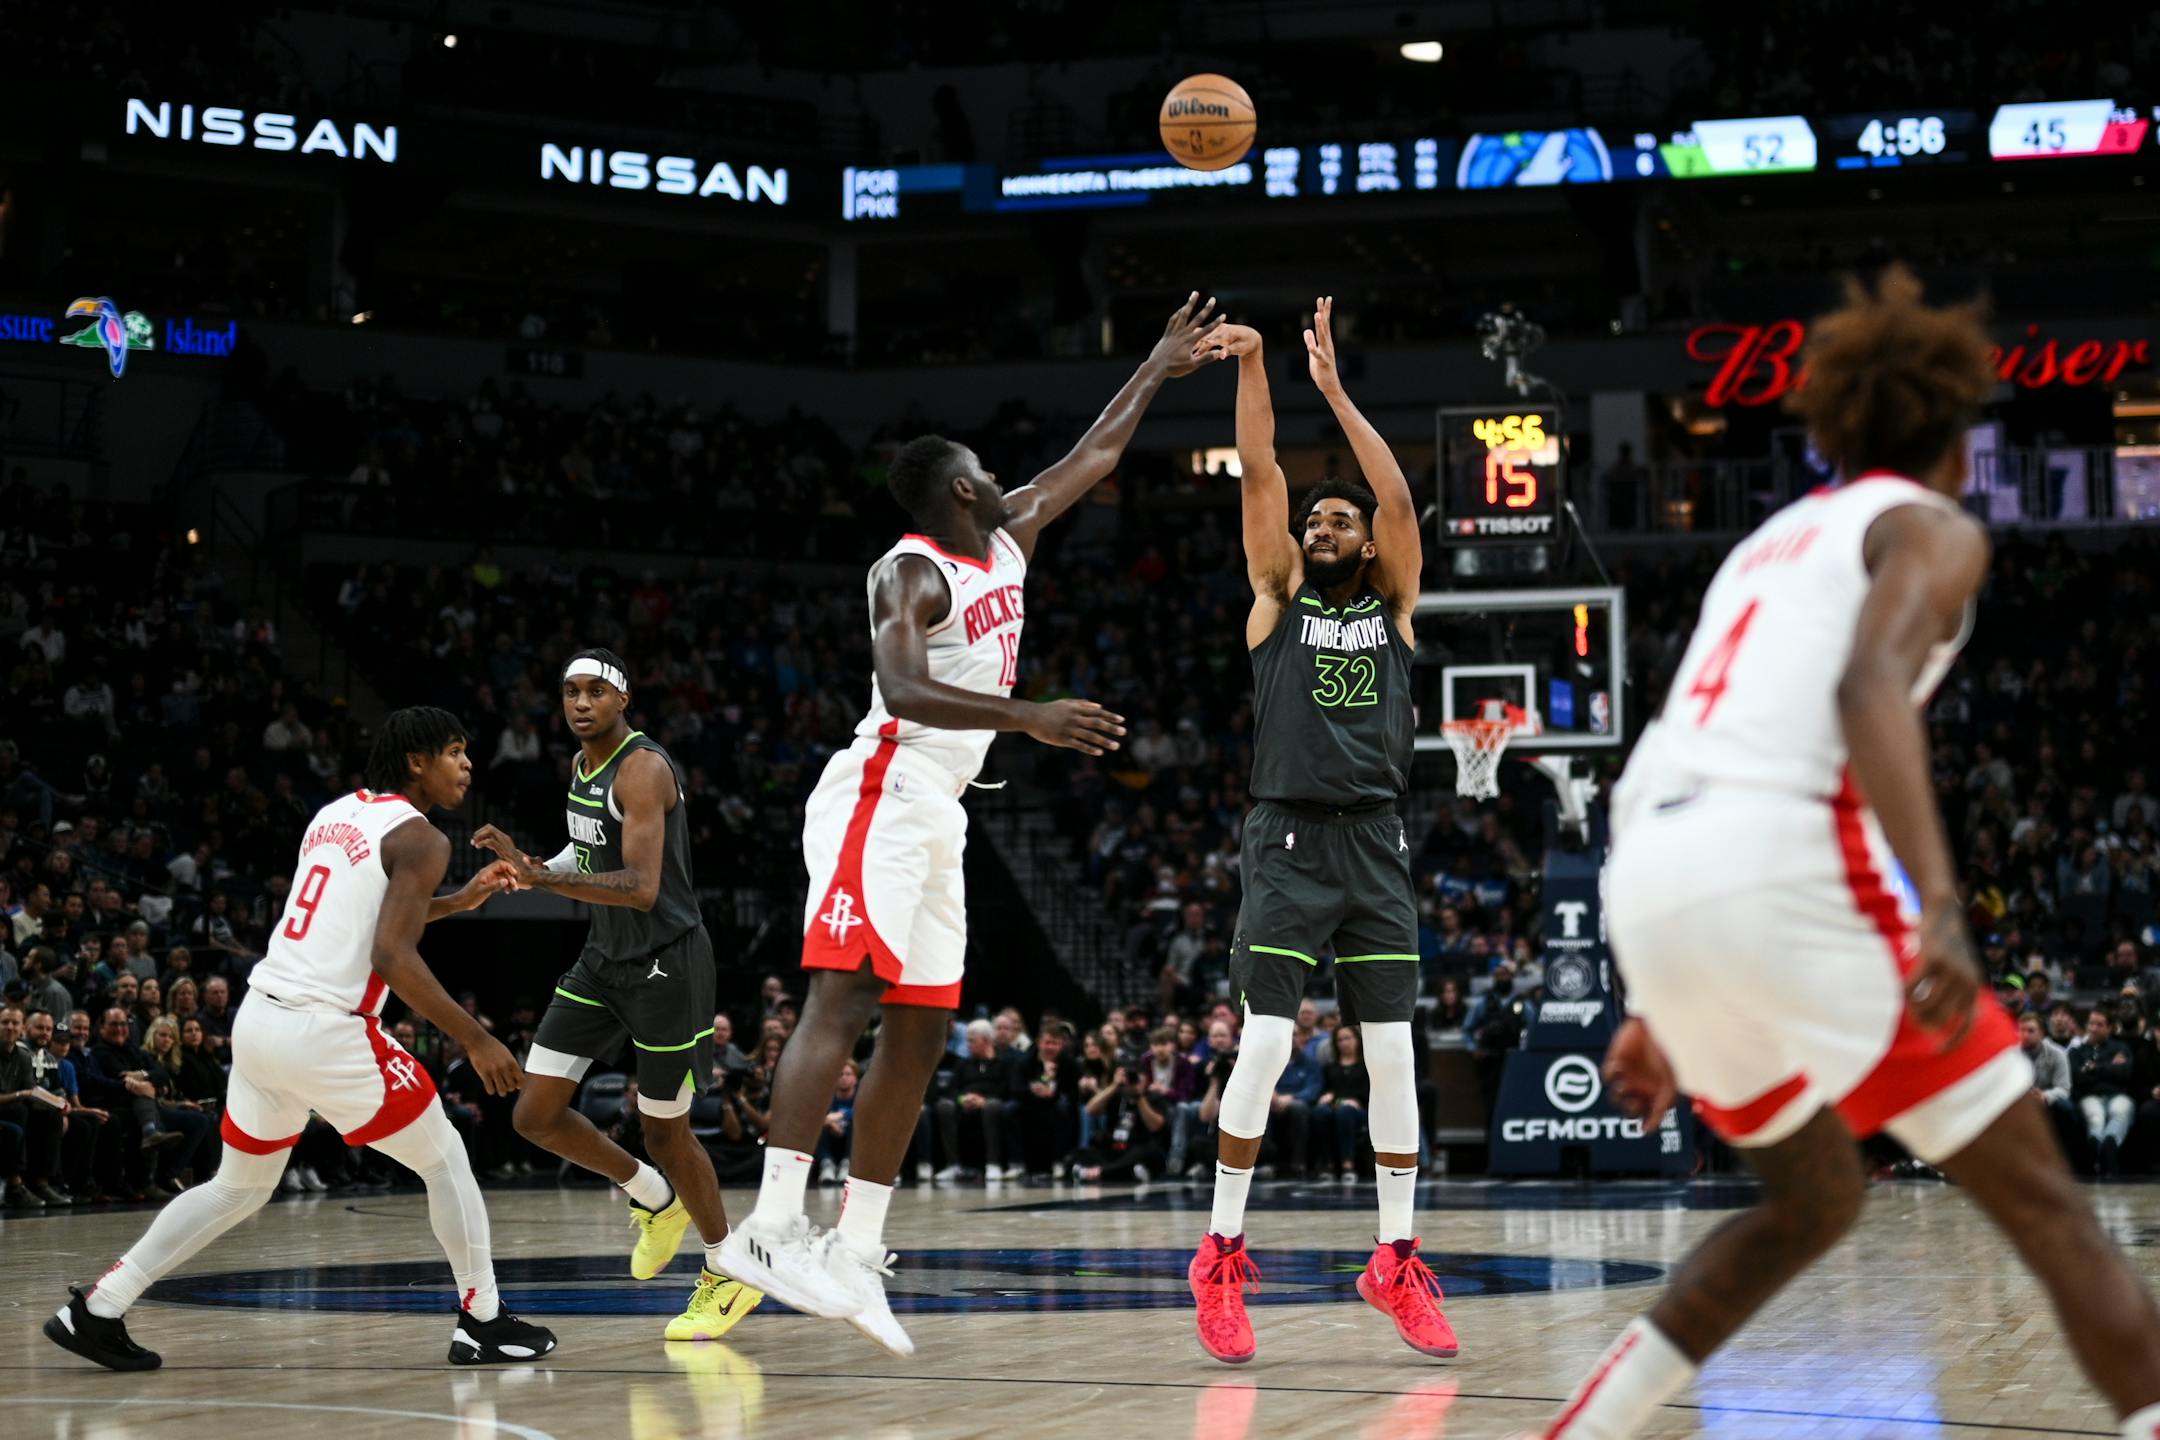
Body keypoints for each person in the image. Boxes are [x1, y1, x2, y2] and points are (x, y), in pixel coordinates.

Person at [1536, 267, 2160, 1439]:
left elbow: (1705, 740)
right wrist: (1941, 910)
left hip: (1653, 877)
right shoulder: (1931, 527)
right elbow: (1867, 683)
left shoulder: (1767, 544)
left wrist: (1658, 1002)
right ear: (1961, 435)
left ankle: (1589, 1427)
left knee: (1812, 1200)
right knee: (2053, 1219)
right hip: (1786, 863)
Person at [719, 293, 1227, 1354]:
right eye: (990, 470)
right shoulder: (912, 568)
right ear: (961, 487)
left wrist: (1156, 363)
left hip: (944, 809)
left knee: (923, 1026)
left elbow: (1092, 456)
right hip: (884, 785)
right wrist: (1026, 715)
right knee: (844, 992)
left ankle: (856, 1250)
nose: (1006, 479)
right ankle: (769, 1226)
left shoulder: (1007, 542)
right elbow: (902, 686)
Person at [43, 707, 555, 1371]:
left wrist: (458, 902)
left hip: (260, 1022)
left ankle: (99, 1306)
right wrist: (476, 1039)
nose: (467, 765)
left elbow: (367, 912)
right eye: (455, 752)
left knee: (238, 1188)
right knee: (445, 1157)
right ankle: (483, 1319)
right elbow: (393, 955)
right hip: (326, 1030)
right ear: (415, 762)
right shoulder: (423, 838)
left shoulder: (335, 814)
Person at [1185, 300, 1453, 1365]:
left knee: (1393, 1059)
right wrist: (1253, 365)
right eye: (1317, 521)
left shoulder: (1394, 607)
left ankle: (1394, 1261)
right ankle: (1220, 1253)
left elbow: (1395, 493)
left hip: (1378, 843)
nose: (1325, 528)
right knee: (1263, 1043)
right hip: (1290, 842)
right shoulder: (1277, 599)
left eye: (1340, 523)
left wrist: (1335, 391)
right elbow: (1259, 475)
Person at [472, 649, 759, 1344]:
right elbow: (588, 856)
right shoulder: (580, 767)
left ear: (622, 699)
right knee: (534, 1113)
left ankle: (729, 1270)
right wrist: (535, 867)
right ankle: (653, 1198)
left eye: (595, 690)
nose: (580, 702)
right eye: (570, 691)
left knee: (667, 1130)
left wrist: (542, 885)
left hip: (668, 965)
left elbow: (640, 885)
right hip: (604, 959)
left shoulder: (643, 768)